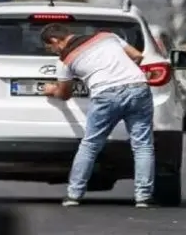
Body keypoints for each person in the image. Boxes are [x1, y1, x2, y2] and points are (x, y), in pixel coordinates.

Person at [39, 23, 155, 208]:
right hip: (138, 87)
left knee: (90, 145)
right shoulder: (107, 36)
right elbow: (138, 56)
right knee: (142, 145)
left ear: (55, 41)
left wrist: (51, 90)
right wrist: (121, 74)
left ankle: (74, 195)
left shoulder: (65, 60)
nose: (52, 51)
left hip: (105, 95)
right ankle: (143, 198)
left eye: (50, 48)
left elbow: (64, 94)